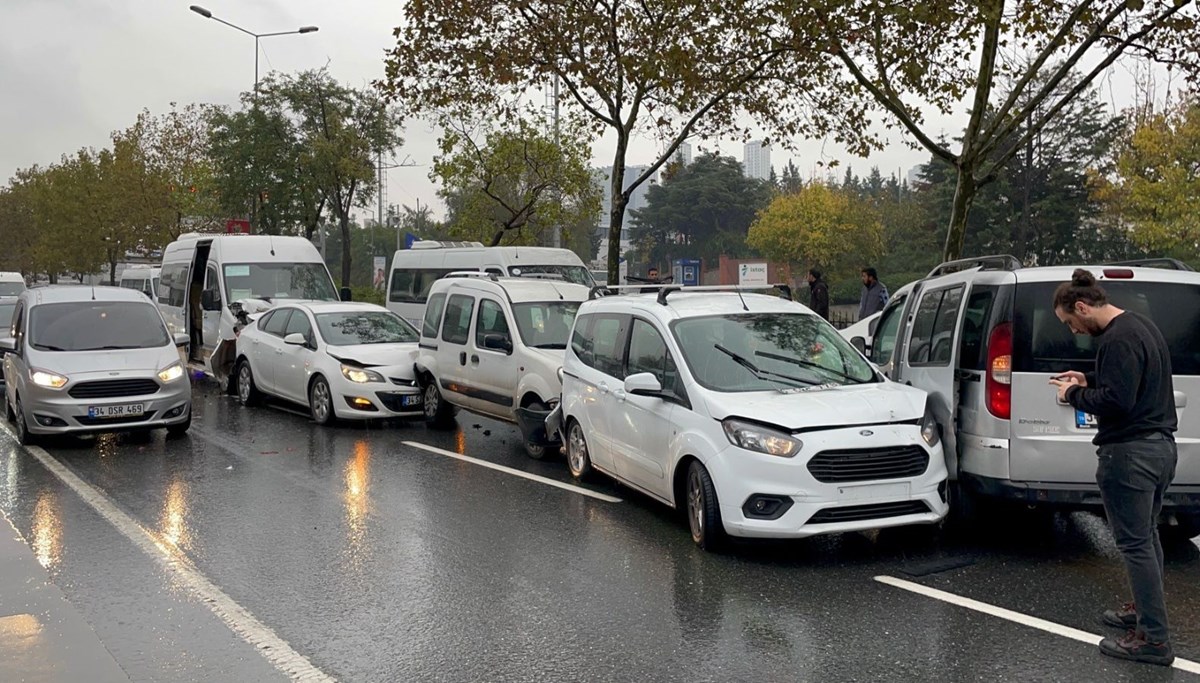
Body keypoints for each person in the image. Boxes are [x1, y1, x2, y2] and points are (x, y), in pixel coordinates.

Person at [1048, 269, 1178, 667]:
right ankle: (1144, 610)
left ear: (1083, 307)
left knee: (1134, 544)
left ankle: (1154, 640)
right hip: (1159, 450)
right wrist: (1087, 377)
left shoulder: (1116, 339)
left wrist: (1074, 393)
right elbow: (1132, 382)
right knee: (1146, 537)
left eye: (1071, 322)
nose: (1074, 330)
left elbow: (1117, 401)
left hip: (1129, 455)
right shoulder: (1140, 327)